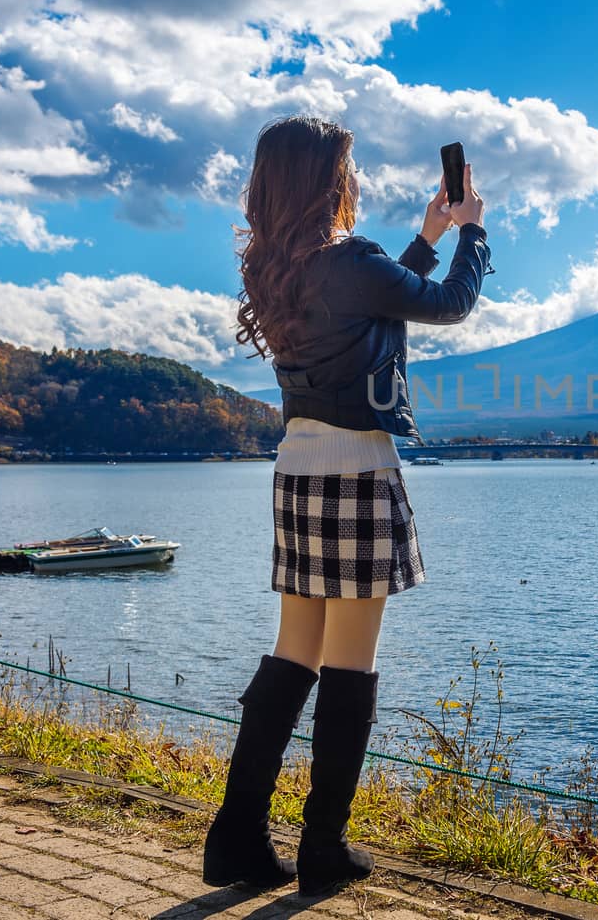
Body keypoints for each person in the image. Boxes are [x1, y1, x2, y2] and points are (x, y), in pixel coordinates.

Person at [203, 116, 490, 897]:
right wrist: (473, 232)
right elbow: (449, 304)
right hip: (358, 475)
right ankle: (323, 846)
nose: (355, 179)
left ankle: (234, 837)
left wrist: (427, 235)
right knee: (350, 664)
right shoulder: (349, 262)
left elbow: (369, 302)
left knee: (293, 649)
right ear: (330, 181)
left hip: (296, 473)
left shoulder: (278, 267)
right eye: (349, 168)